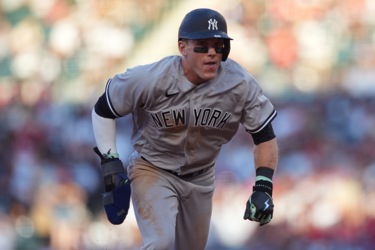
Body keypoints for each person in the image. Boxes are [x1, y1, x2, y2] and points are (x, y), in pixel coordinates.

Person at [92, 8, 278, 250]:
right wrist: (110, 160)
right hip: (153, 168)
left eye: (218, 46)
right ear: (183, 47)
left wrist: (264, 185)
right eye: (202, 45)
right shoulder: (152, 78)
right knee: (160, 243)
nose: (212, 53)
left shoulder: (239, 84)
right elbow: (104, 108)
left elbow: (264, 135)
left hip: (201, 177)